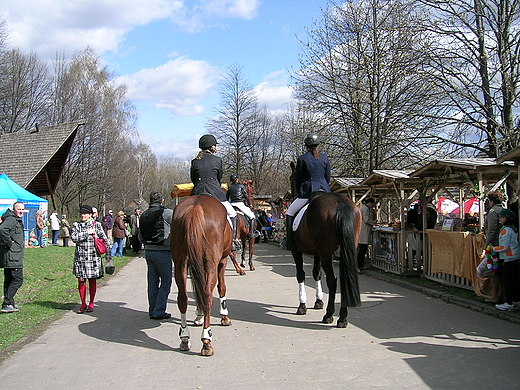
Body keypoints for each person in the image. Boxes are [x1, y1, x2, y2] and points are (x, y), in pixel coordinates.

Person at [191, 134, 241, 252]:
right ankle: (233, 242)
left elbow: (193, 179)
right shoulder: (217, 160)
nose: (215, 147)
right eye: (214, 145)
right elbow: (219, 178)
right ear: (211, 147)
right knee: (232, 214)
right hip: (214, 192)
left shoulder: (194, 162)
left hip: (197, 192)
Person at [285, 133, 331, 250]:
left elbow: (298, 179)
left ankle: (289, 240)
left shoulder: (302, 159)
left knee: (289, 213)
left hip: (308, 192)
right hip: (324, 190)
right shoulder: (325, 158)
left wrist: (301, 190)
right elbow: (327, 177)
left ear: (306, 145)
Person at [138, 191, 173, 320]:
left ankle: (152, 310)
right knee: (166, 281)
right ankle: (159, 310)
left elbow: (140, 235)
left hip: (149, 251)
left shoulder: (143, 215)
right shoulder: (167, 213)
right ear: (161, 201)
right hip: (162, 251)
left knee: (152, 282)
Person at [71, 205, 111, 313]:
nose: (83, 215)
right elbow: (74, 238)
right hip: (80, 259)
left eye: (85, 213)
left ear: (90, 214)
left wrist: (108, 255)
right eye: (82, 213)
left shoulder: (97, 225)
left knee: (92, 281)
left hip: (93, 258)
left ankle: (91, 303)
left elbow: (105, 239)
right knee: (81, 281)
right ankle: (83, 303)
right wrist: (86, 233)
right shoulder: (76, 225)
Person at [0, 202, 26, 313]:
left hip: (12, 255)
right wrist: (9, 243)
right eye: (18, 209)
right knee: (17, 279)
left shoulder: (15, 219)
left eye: (22, 209)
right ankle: (7, 302)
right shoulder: (11, 219)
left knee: (9, 279)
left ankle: (9, 303)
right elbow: (2, 229)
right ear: (13, 209)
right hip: (12, 255)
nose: (21, 211)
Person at [492, 208, 520, 311]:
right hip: (516, 257)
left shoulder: (505, 230)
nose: (500, 218)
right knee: (514, 281)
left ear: (507, 218)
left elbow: (504, 247)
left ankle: (509, 302)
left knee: (507, 281)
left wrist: (493, 248)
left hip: (509, 258)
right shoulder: (513, 228)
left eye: (502, 217)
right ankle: (516, 301)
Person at [483, 190, 504, 303]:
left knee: (494, 270)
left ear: (491, 201)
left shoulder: (492, 212)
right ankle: (502, 294)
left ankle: (494, 295)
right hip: (504, 244)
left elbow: (491, 230)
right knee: (501, 269)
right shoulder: (503, 209)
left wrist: (488, 245)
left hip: (495, 244)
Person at [227, 174, 259, 239]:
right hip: (239, 203)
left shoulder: (230, 187)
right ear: (236, 179)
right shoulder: (241, 186)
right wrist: (249, 203)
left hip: (232, 204)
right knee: (252, 216)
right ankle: (251, 233)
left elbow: (227, 197)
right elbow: (246, 196)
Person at [358, 198, 377, 273]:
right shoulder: (365, 209)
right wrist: (373, 222)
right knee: (363, 249)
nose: (372, 206)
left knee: (361, 249)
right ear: (369, 203)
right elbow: (366, 220)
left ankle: (360, 265)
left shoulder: (361, 207)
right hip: (364, 231)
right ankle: (360, 265)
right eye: (372, 204)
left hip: (361, 230)